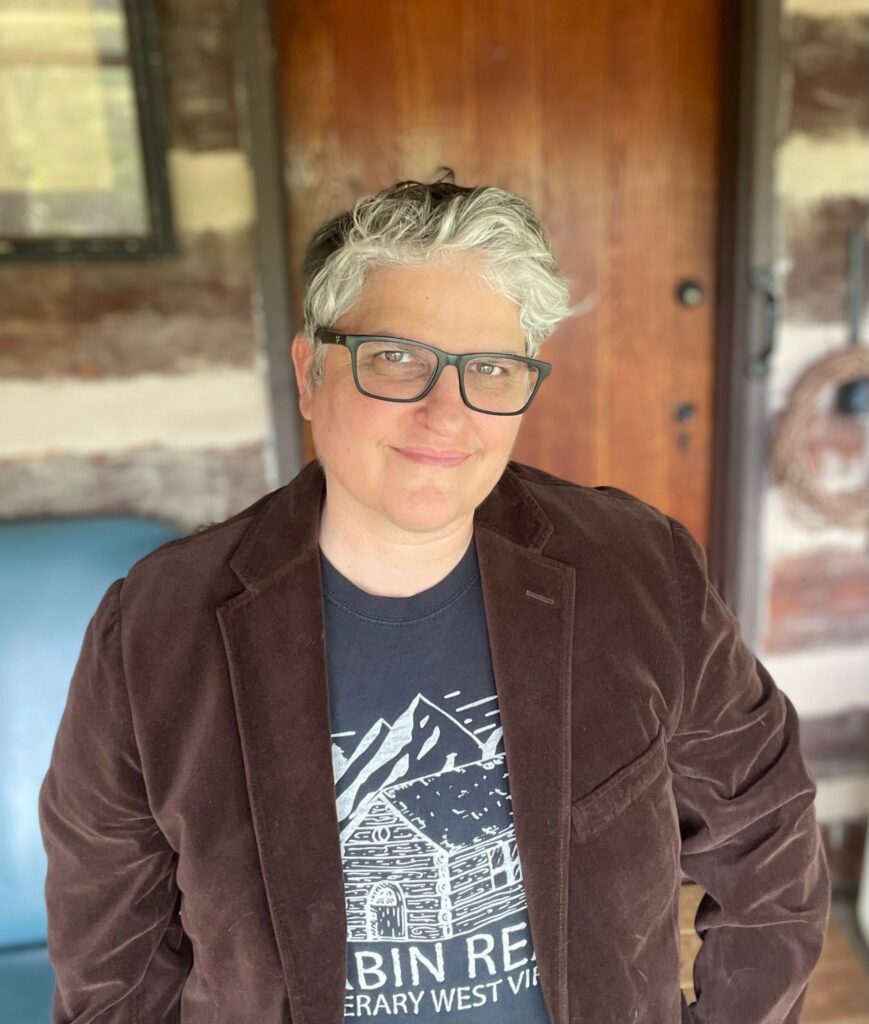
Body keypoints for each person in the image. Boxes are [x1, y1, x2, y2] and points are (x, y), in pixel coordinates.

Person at [39, 177, 830, 1024]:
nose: (443, 414)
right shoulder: (157, 628)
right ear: (312, 373)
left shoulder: (635, 572)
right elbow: (110, 962)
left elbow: (767, 838)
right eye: (396, 358)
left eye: (488, 369)